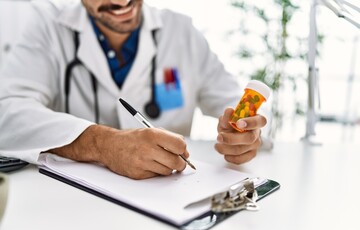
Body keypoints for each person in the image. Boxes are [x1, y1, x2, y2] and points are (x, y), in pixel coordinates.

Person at [0, 0, 267, 180]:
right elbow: (7, 111)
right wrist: (102, 143)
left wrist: (246, 132)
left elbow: (232, 100)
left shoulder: (181, 32)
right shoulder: (48, 30)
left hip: (168, 196)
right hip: (76, 207)